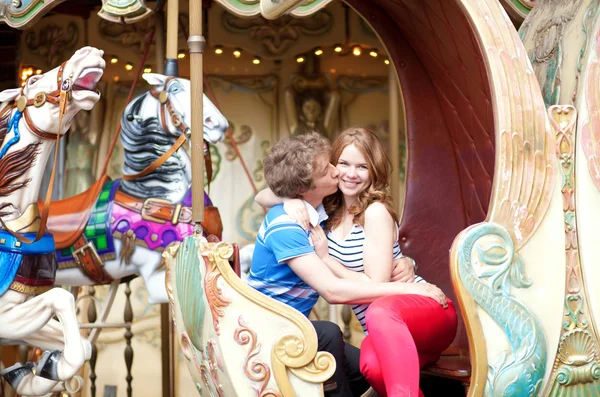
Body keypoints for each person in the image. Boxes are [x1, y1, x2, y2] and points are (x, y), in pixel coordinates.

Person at [256, 128, 457, 397]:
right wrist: (288, 198)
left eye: (362, 166)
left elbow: (377, 286)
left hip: (421, 309)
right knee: (371, 368)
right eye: (342, 164)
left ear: (373, 171)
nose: (350, 174)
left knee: (378, 313)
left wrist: (327, 260)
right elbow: (265, 194)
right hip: (386, 329)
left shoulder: (374, 212)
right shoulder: (322, 212)